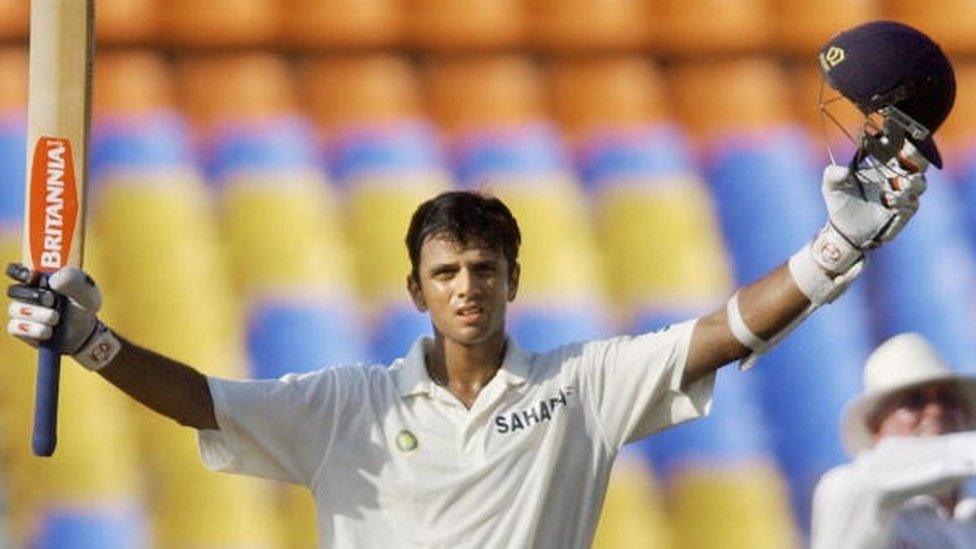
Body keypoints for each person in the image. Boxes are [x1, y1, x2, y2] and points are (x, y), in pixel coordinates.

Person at [4, 21, 952, 549]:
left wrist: (835, 249)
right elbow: (202, 403)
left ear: (513, 281)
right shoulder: (347, 405)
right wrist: (92, 341)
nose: (468, 289)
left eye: (484, 271)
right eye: (447, 273)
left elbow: (725, 333)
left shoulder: (578, 388)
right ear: (415, 290)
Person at [810, 333, 976, 549]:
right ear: (875, 426)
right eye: (913, 401)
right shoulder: (849, 491)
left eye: (948, 399)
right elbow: (864, 482)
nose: (936, 410)